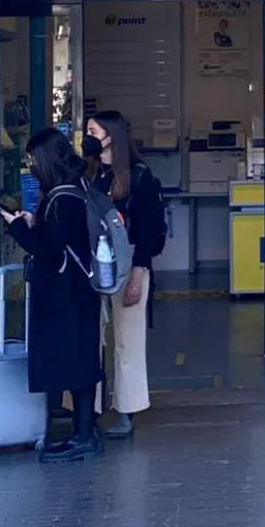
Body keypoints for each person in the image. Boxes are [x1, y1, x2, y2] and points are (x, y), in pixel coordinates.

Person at [0, 128, 102, 463]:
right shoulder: (77, 189)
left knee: (72, 362)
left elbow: (47, 249)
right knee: (82, 359)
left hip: (64, 294)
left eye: (33, 160)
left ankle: (83, 435)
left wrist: (16, 226)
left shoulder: (60, 198)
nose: (31, 167)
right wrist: (33, 221)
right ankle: (85, 431)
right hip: (80, 290)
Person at [83, 110, 164, 439]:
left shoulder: (139, 177)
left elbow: (150, 231)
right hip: (95, 265)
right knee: (94, 338)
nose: (85, 136)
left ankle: (127, 410)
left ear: (110, 136)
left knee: (128, 342)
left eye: (91, 130)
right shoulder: (92, 174)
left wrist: (137, 275)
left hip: (130, 265)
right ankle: (91, 407)